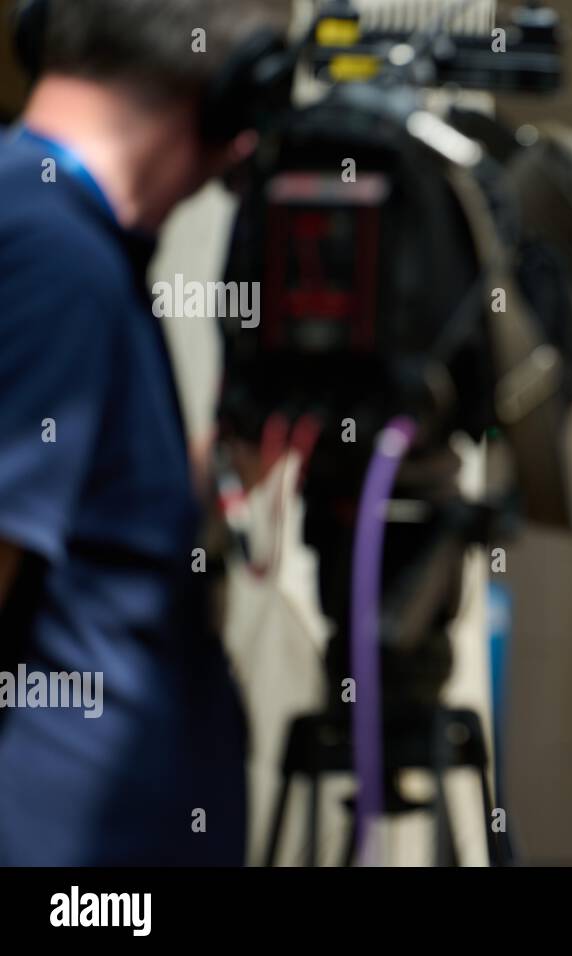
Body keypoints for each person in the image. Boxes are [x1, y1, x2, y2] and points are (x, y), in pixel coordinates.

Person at [0, 0, 291, 865]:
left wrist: (227, 457)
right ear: (241, 91)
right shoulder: (50, 254)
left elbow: (93, 537)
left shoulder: (63, 236)